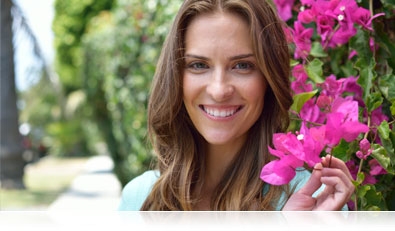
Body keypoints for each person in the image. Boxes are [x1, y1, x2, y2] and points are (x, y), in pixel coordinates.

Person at [118, 0, 354, 211]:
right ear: (176, 77)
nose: (219, 90)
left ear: (269, 79)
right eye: (199, 65)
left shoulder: (312, 199)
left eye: (242, 66)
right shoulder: (139, 199)